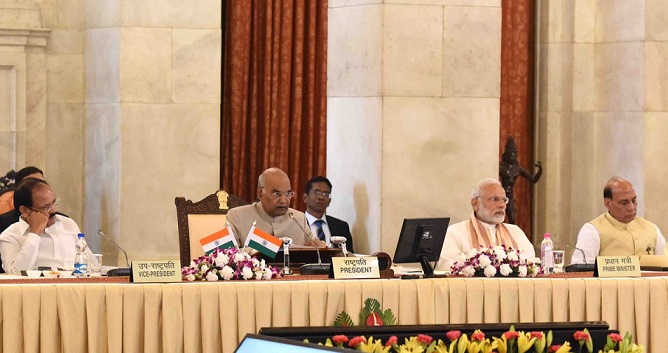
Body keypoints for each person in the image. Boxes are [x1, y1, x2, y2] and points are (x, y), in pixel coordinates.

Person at [436, 178, 536, 270]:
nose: (502, 205)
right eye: (494, 199)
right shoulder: (455, 233)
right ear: (475, 204)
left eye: (504, 200)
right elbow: (447, 267)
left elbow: (532, 265)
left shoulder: (515, 232)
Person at [571, 177, 666, 264]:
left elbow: (664, 266)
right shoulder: (592, 231)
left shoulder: (651, 229)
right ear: (608, 203)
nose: (631, 207)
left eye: (634, 201)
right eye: (624, 203)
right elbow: (581, 271)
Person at [0, 178, 86, 274]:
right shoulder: (10, 236)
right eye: (47, 207)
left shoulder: (68, 224)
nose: (53, 210)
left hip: (74, 287)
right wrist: (34, 233)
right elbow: (16, 275)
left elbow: (89, 263)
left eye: (54, 203)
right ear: (24, 210)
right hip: (38, 288)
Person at [226, 167, 323, 247]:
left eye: (288, 193)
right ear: (260, 193)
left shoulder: (298, 218)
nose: (283, 200)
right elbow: (227, 254)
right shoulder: (237, 216)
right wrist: (266, 248)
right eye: (277, 194)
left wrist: (320, 247)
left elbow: (314, 247)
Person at [303, 176, 354, 253]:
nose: (321, 197)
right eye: (317, 192)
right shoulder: (296, 224)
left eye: (325, 194)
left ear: (330, 200)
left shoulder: (341, 227)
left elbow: (349, 257)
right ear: (305, 197)